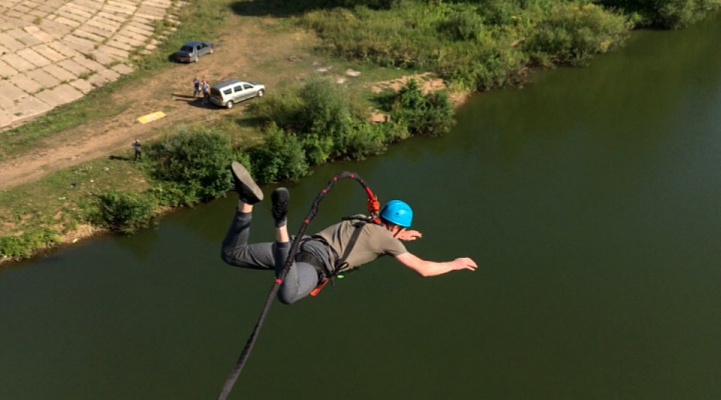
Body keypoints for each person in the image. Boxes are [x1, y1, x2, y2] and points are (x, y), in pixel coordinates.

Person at [220, 162, 478, 305]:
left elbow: (371, 238)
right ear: (396, 227)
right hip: (312, 264)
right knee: (287, 295)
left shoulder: (362, 219)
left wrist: (397, 238)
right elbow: (423, 268)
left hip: (305, 245)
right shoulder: (386, 239)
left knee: (232, 254)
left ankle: (246, 202)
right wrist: (454, 264)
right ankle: (281, 226)